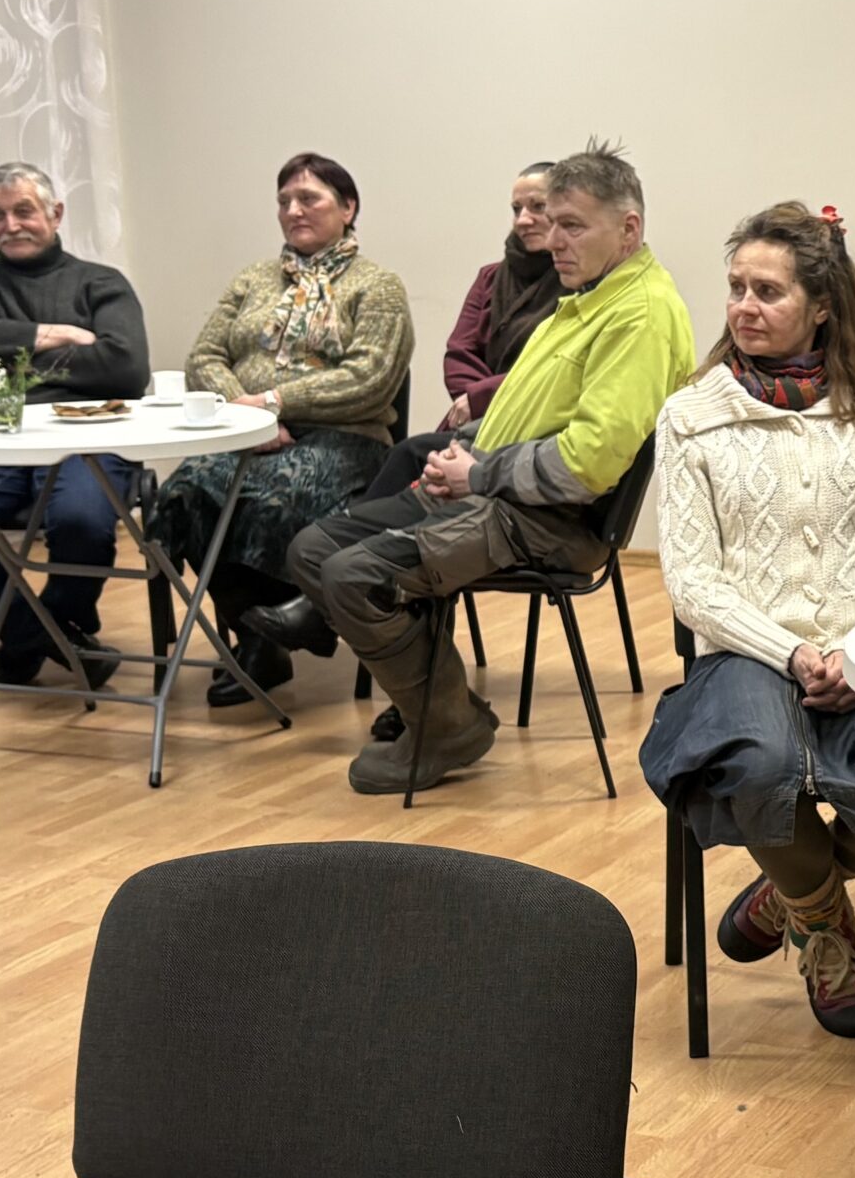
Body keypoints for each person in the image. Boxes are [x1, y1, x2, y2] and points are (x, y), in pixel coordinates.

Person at [637, 202, 855, 1039]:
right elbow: (693, 584)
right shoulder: (691, 418)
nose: (744, 307)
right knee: (756, 769)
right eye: (736, 288)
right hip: (747, 653)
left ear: (821, 306)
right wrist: (793, 652)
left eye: (768, 291)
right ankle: (827, 931)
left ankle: (789, 889)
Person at [265, 140, 694, 795]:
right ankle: (446, 712)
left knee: (355, 578)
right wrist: (460, 452)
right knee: (314, 549)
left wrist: (478, 473)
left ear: (628, 228)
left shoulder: (640, 315)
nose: (552, 239)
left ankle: (442, 727)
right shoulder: (589, 296)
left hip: (551, 520)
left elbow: (586, 467)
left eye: (572, 225)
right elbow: (530, 411)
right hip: (499, 491)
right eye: (550, 221)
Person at [145, 151, 413, 707]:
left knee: (271, 499)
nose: (293, 210)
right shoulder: (252, 279)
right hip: (246, 432)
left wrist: (274, 402)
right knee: (186, 494)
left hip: (346, 440)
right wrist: (249, 419)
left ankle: (292, 625)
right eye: (284, 201)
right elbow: (204, 358)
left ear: (348, 208)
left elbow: (370, 380)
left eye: (308, 198)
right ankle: (255, 637)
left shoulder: (378, 286)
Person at [0, 161, 151, 688]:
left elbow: (127, 368)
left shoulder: (101, 282)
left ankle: (32, 640)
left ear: (55, 213)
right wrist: (53, 334)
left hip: (89, 433)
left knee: (82, 521)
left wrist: (8, 361)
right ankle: (46, 636)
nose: (10, 225)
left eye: (23, 211)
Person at [352, 161, 565, 507]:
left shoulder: (577, 284)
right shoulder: (490, 277)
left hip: (534, 427)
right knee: (408, 459)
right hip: (474, 423)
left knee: (412, 455)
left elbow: (554, 369)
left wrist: (481, 397)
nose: (523, 219)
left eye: (538, 207)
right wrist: (476, 402)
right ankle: (348, 533)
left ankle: (348, 535)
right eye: (516, 209)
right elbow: (459, 354)